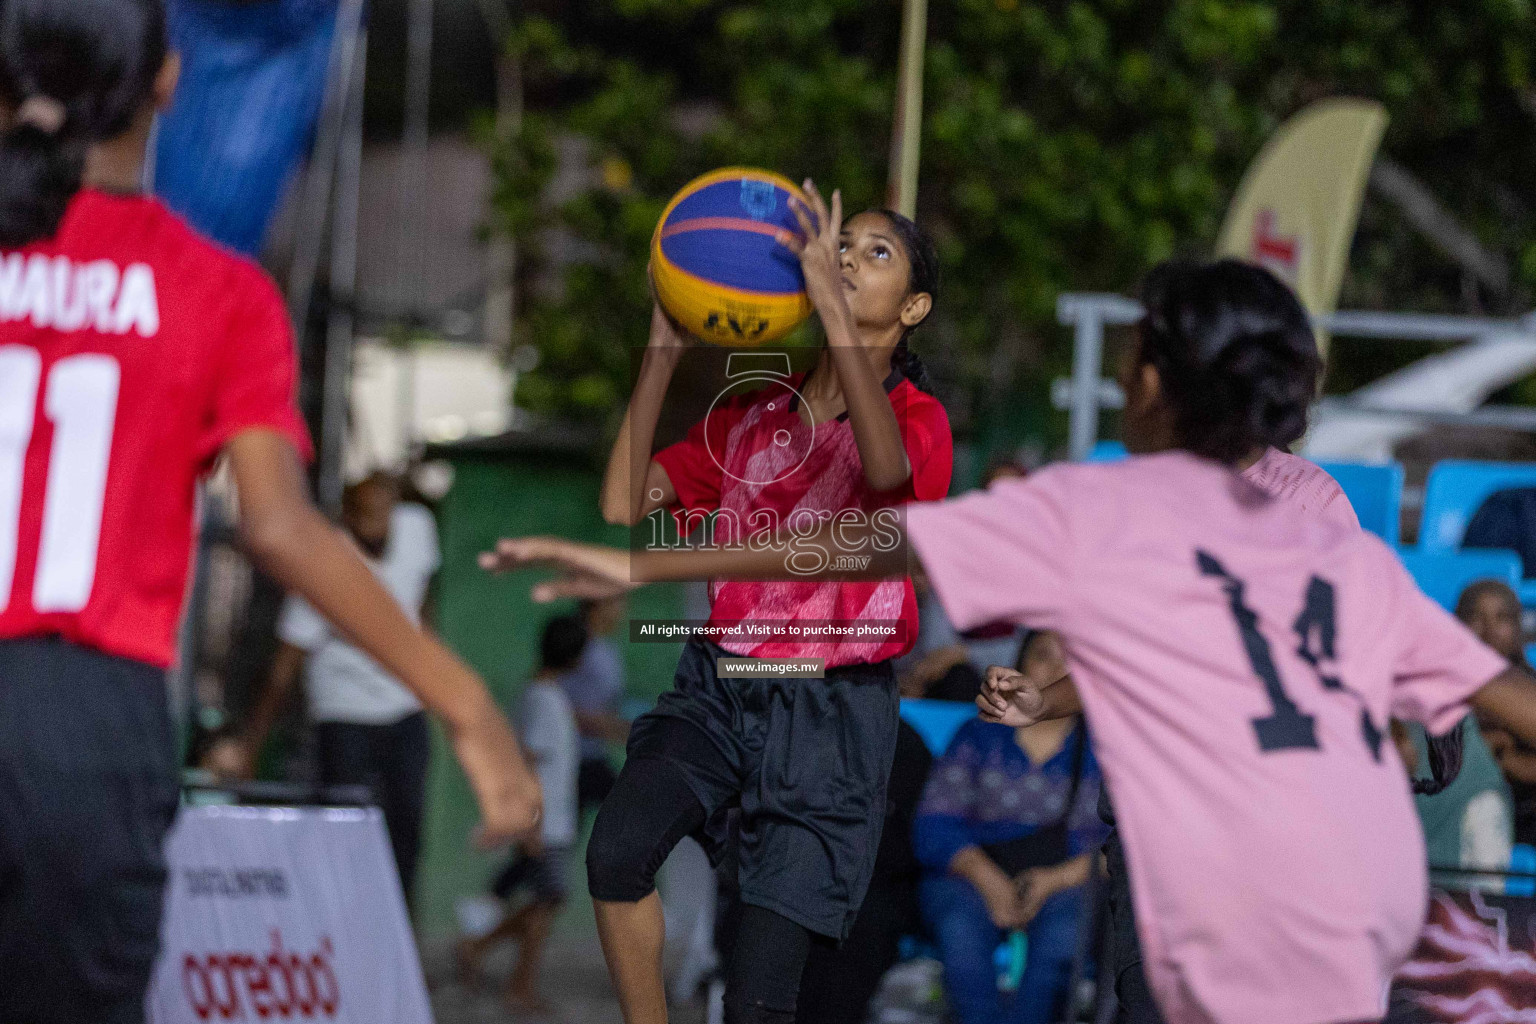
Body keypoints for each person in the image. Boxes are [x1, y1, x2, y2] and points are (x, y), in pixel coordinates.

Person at [484, 258, 1536, 1024]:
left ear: (1160, 383)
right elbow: (1489, 691)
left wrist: (645, 567)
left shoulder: (1110, 511)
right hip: (1348, 900)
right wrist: (1436, 712)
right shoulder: (1332, 555)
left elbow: (868, 544)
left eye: (1134, 354)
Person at [0, 4, 539, 1021]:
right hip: (84, 729)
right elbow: (280, 526)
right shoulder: (215, 290)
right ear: (169, 81)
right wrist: (466, 704)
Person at [510, 185, 952, 1024]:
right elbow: (619, 502)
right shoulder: (751, 416)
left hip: (831, 715)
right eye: (844, 244)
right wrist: (662, 351)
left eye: (876, 252)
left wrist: (827, 301)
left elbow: (887, 472)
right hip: (719, 683)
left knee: (756, 1003)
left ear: (915, 307)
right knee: (618, 852)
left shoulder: (917, 418)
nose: (851, 257)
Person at [205, 473, 441, 898]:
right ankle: (340, 919)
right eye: (368, 517)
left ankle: (395, 937)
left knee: (407, 830)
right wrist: (252, 747)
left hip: (406, 707)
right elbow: (284, 667)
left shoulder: (416, 528)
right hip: (344, 712)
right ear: (348, 518)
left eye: (386, 514)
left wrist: (437, 679)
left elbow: (422, 599)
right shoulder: (324, 565)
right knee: (344, 827)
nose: (380, 527)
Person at [914, 630, 1105, 1024]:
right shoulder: (980, 734)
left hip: (1068, 879)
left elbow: (1123, 846)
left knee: (1062, 938)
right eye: (1043, 655)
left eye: (1070, 659)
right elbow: (934, 824)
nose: (1055, 668)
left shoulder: (1104, 749)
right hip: (973, 872)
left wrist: (1052, 881)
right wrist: (988, 879)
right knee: (961, 931)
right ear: (1018, 664)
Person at [459, 615, 585, 1014]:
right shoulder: (545, 700)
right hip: (545, 824)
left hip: (552, 823)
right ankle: (517, 982)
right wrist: (533, 824)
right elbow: (524, 762)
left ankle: (480, 949)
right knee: (549, 899)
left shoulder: (542, 695)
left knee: (547, 900)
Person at [563, 595, 632, 814]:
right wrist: (621, 730)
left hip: (592, 756)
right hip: (570, 760)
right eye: (617, 602)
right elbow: (561, 707)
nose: (623, 610)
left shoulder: (607, 650)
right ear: (599, 606)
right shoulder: (576, 647)